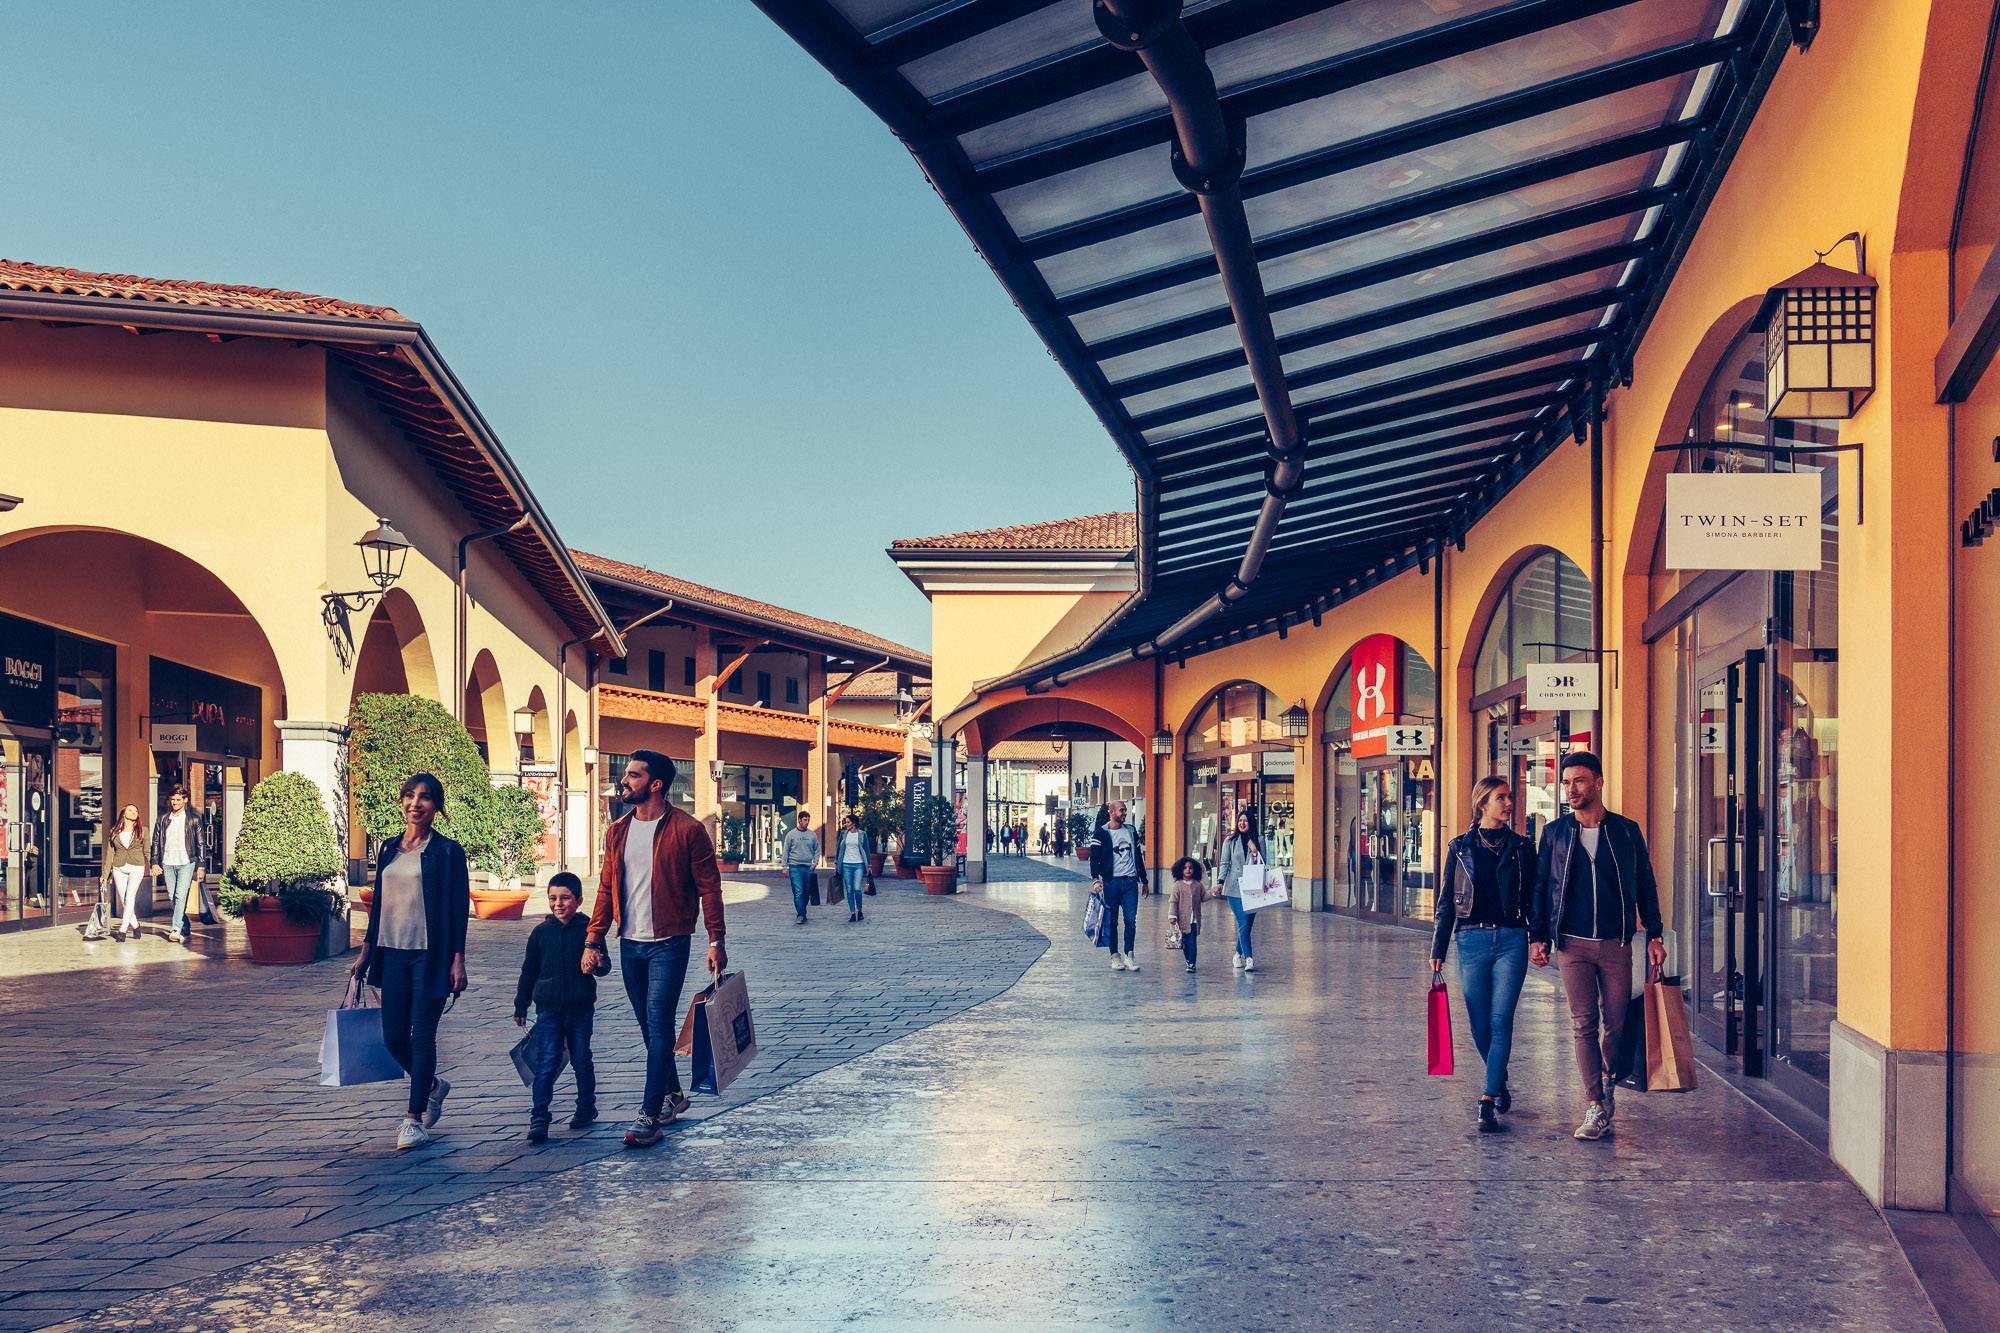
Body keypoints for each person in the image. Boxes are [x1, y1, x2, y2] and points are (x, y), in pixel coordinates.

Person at [583, 750, 727, 1150]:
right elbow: (606, 889)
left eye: (633, 775)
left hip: (669, 942)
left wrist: (716, 940)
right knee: (649, 1027)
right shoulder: (617, 831)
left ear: (656, 784)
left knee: (659, 1023)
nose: (624, 781)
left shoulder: (687, 830)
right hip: (630, 943)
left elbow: (709, 888)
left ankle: (649, 1116)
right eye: (626, 774)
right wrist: (593, 939)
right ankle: (674, 1095)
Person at [1529, 751, 1666, 1142]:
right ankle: (1594, 1104)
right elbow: (1542, 888)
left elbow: (1645, 884)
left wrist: (1654, 934)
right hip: (1572, 944)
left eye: (1579, 781)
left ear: (1599, 783)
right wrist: (1537, 935)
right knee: (1583, 1023)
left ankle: (1607, 1080)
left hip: (1615, 943)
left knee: (1617, 1024)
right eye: (1566, 782)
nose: (1571, 789)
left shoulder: (1625, 831)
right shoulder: (1554, 833)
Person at [350, 772, 470, 1151]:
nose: (415, 803)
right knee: (391, 1037)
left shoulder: (448, 852)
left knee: (423, 1037)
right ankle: (433, 1085)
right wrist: (366, 951)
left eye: (425, 798)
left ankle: (413, 1118)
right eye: (409, 796)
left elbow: (457, 910)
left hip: (429, 956)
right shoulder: (387, 848)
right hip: (392, 953)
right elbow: (379, 904)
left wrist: (458, 960)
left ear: (437, 807)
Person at [1432, 777, 1536, 1133]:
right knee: (1478, 1025)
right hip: (1470, 941)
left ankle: (1488, 1098)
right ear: (1482, 804)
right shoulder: (1459, 847)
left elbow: (1535, 899)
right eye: (1501, 798)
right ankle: (1500, 1075)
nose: (1509, 803)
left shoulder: (1523, 848)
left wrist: (1538, 938)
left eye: (1510, 797)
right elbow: (1446, 900)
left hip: (1512, 941)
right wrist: (1438, 947)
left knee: (1500, 1020)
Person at [514, 872, 599, 1143]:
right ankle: (539, 1117)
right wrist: (521, 1005)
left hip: (580, 1009)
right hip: (548, 1009)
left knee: (581, 1058)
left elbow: (603, 962)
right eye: (553, 898)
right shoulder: (540, 932)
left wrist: (598, 963)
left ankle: (586, 1107)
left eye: (565, 898)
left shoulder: (590, 931)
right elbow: (529, 971)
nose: (558, 904)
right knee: (546, 1061)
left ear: (578, 900)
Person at [1089, 800, 1147, 972]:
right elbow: (1094, 858)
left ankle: (1129, 955)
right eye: (1121, 810)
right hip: (1111, 883)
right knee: (1112, 921)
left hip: (1130, 882)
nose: (1124, 813)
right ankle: (1115, 956)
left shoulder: (1130, 831)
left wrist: (1144, 880)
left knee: (1131, 921)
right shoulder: (1100, 834)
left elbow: (1138, 857)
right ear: (1112, 812)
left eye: (1125, 810)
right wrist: (1095, 879)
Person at [149, 785, 206, 943]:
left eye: (178, 799)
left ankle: (176, 928)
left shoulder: (194, 819)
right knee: (173, 897)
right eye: (173, 799)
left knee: (180, 895)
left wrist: (201, 866)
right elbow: (155, 842)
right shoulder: (162, 819)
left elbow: (201, 843)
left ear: (185, 800)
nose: (175, 802)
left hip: (186, 862)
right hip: (167, 862)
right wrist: (154, 862)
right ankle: (185, 925)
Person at [1215, 810, 1265, 972]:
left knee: (1247, 925)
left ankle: (1237, 953)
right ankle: (1249, 958)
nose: (1242, 823)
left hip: (1254, 888)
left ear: (1251, 822)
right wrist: (1220, 882)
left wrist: (1255, 850)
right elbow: (1224, 863)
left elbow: (1264, 863)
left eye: (1245, 820)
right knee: (1243, 922)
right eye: (1240, 820)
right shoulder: (1230, 840)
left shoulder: (1259, 840)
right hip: (1234, 888)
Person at [96, 803, 147, 941]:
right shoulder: (114, 831)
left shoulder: (143, 830)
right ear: (123, 813)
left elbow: (147, 850)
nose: (133, 812)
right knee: (124, 899)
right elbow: (109, 854)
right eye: (130, 810)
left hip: (137, 866)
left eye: (136, 810)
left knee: (130, 897)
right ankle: (136, 925)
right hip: (118, 867)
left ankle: (123, 930)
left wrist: (154, 865)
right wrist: (105, 874)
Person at [1167, 856, 1211, 974]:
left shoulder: (1197, 884)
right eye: (1185, 868)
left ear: (1194, 870)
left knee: (1192, 941)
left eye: (1190, 868)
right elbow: (1173, 901)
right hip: (1182, 920)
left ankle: (1192, 963)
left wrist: (1212, 893)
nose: (1188, 870)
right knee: (1184, 942)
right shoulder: (1178, 885)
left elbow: (1203, 897)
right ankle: (1188, 960)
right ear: (1180, 870)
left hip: (1195, 920)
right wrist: (1172, 915)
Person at [782, 811, 821, 924]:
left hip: (808, 867)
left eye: (808, 820)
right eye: (805, 820)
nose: (807, 822)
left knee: (807, 892)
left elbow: (816, 850)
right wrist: (784, 867)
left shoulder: (812, 834)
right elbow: (786, 851)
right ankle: (801, 915)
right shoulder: (791, 834)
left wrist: (815, 864)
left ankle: (802, 912)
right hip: (795, 867)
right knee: (798, 892)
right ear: (799, 820)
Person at [835, 812, 872, 922]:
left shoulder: (862, 834)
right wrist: (837, 863)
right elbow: (838, 850)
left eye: (848, 822)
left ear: (854, 823)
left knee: (857, 889)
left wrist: (869, 865)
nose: (846, 824)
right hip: (846, 864)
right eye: (845, 822)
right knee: (849, 890)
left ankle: (859, 910)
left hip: (858, 864)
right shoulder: (843, 834)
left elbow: (866, 849)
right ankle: (852, 913)